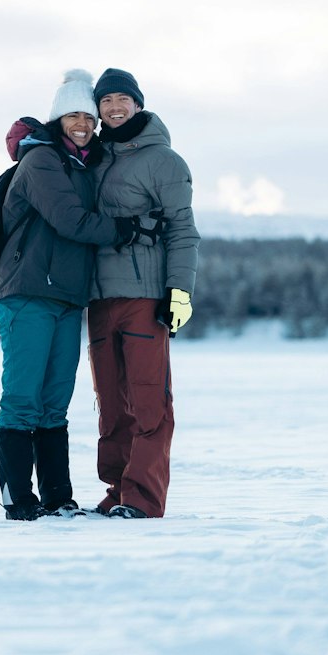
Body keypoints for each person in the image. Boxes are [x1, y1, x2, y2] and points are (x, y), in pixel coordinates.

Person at [0, 69, 161, 521]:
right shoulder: (42, 161)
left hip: (67, 298)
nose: (83, 123)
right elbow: (70, 220)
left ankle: (57, 497)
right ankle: (18, 499)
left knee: (54, 402)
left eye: (89, 116)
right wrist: (127, 229)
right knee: (23, 398)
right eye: (73, 115)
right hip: (27, 293)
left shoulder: (83, 164)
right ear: (57, 119)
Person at [86, 67, 199, 519]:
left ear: (138, 103)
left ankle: (144, 499)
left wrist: (179, 291)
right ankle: (118, 491)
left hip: (144, 296)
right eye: (105, 101)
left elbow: (183, 231)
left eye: (122, 99)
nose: (114, 108)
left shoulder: (164, 161)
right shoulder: (93, 159)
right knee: (112, 405)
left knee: (149, 400)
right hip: (98, 298)